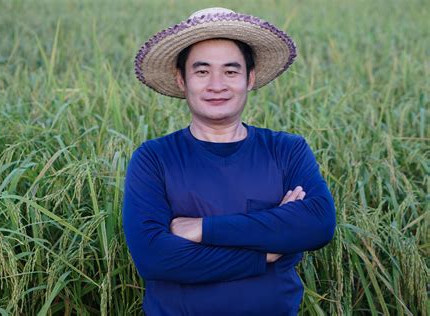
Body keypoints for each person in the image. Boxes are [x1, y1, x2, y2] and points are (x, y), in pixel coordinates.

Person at [123, 7, 336, 315]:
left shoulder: (287, 150)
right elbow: (155, 258)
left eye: (231, 71)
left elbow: (318, 223)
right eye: (201, 71)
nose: (217, 85)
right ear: (181, 79)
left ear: (250, 78)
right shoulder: (153, 158)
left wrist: (202, 229)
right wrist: (268, 251)